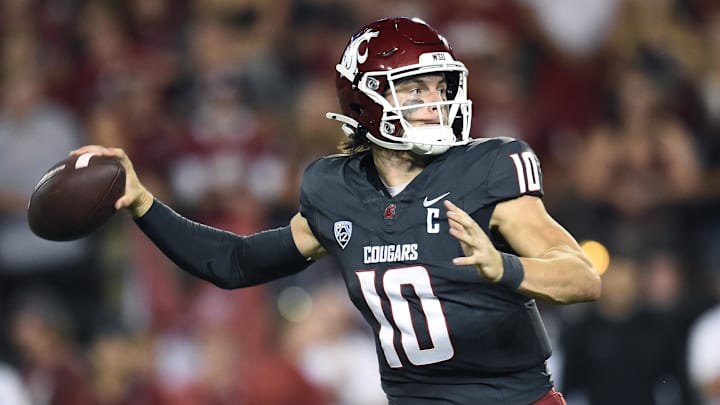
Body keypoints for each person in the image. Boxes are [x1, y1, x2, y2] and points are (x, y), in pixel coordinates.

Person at [72, 17, 601, 405]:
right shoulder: (335, 189)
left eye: (440, 88)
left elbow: (581, 277)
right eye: (415, 89)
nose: (435, 103)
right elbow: (235, 262)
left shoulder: (487, 169)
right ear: (367, 100)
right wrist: (143, 204)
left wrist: (505, 268)